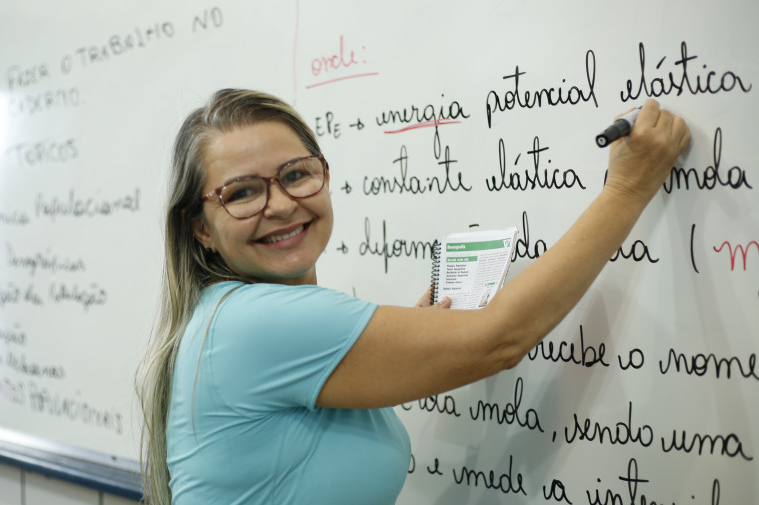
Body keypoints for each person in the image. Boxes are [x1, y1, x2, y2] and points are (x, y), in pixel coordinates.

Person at [136, 89, 690, 504]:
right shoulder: (254, 322)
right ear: (200, 228)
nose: (280, 205)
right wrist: (629, 187)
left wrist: (409, 339)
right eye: (243, 192)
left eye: (296, 175)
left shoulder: (226, 318)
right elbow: (499, 340)